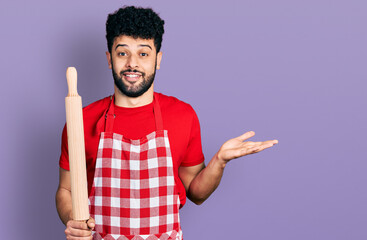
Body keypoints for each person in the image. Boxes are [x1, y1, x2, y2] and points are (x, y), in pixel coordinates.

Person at [55, 5, 278, 240]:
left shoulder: (183, 115)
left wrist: (219, 161)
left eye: (143, 53)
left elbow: (197, 193)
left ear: (157, 59)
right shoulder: (81, 120)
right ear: (110, 59)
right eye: (122, 53)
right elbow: (65, 190)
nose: (132, 63)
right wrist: (73, 219)